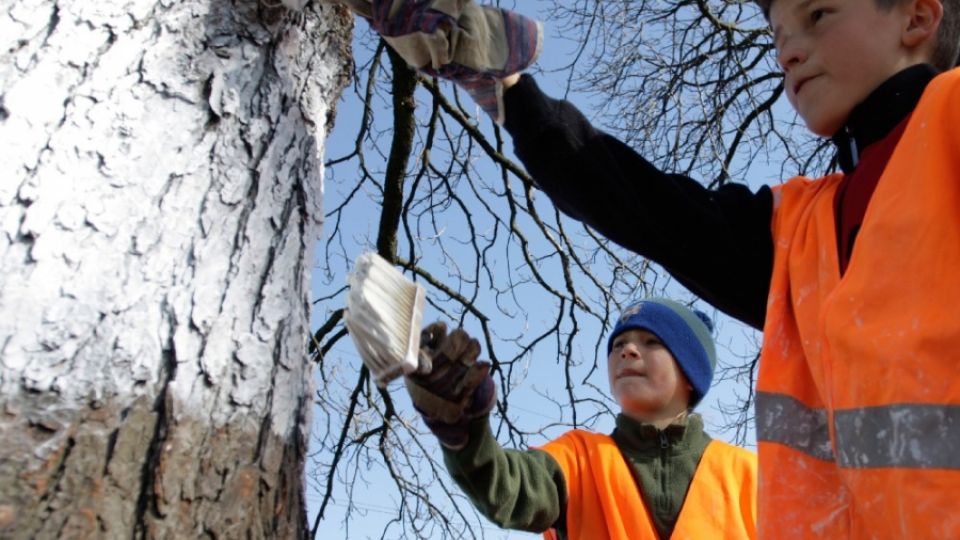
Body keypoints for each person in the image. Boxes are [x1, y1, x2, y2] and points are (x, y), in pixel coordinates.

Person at [344, 0, 960, 535]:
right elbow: (641, 203)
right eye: (776, 35)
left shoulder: (947, 134)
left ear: (918, 16)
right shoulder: (802, 233)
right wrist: (503, 87)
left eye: (818, 15)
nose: (789, 52)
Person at [405, 298, 756, 540]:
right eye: (619, 343)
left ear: (691, 373)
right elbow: (506, 488)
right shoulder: (576, 459)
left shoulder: (751, 475)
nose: (627, 350)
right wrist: (465, 435)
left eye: (651, 342)